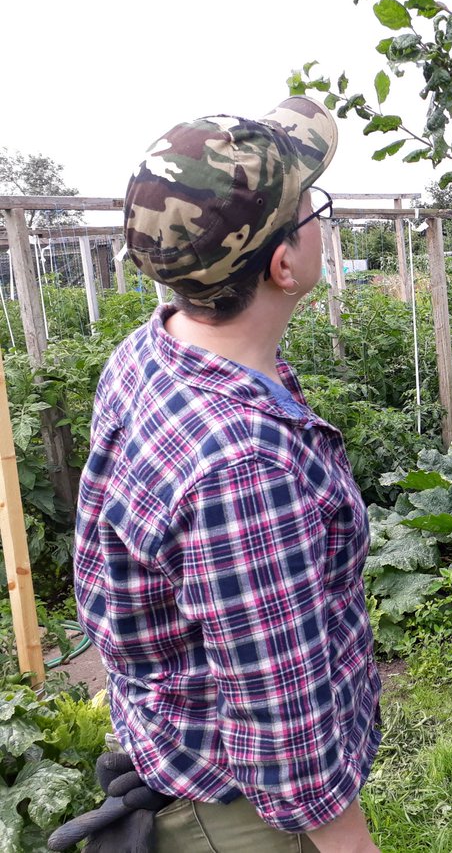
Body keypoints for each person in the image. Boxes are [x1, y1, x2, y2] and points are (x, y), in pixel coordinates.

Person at [63, 97, 382, 852]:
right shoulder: (242, 466)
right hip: (246, 815)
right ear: (284, 261)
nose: (322, 223)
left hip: (180, 743)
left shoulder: (154, 349)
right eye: (314, 208)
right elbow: (286, 731)